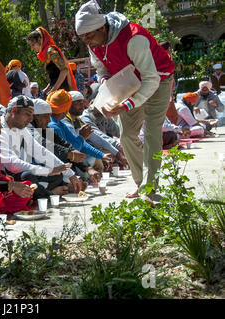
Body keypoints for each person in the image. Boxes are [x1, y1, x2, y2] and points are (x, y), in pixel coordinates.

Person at [75, 0, 176, 201]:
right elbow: (102, 70)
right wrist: (109, 87)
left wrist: (127, 104)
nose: (87, 41)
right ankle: (142, 184)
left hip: (159, 79)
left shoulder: (133, 37)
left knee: (151, 132)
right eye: (83, 38)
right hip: (129, 84)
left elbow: (151, 79)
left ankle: (150, 188)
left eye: (90, 36)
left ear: (103, 27)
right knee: (127, 135)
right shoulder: (93, 43)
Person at [0, 95, 82, 198]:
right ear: (14, 110)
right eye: (28, 114)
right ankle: (49, 194)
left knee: (58, 175)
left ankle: (44, 192)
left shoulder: (21, 127)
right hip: (2, 178)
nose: (30, 119)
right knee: (27, 176)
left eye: (32, 115)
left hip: (17, 174)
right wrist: (47, 171)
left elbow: (39, 151)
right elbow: (12, 164)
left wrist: (70, 174)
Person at [47, 90, 113, 178]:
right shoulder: (54, 125)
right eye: (78, 103)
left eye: (83, 102)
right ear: (67, 108)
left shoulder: (60, 123)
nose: (82, 106)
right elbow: (70, 153)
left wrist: (102, 155)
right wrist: (82, 137)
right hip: (56, 169)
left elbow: (76, 145)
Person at [28, 98, 90, 188]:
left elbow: (65, 145)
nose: (49, 120)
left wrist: (87, 168)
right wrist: (69, 154)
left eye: (50, 116)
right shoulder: (28, 128)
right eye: (46, 116)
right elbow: (43, 144)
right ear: (35, 116)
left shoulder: (46, 128)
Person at [27, 27, 77, 95]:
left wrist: (53, 89)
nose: (32, 48)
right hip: (57, 90)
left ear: (39, 39)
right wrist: (47, 88)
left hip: (62, 91)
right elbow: (55, 75)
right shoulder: (47, 53)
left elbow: (64, 70)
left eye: (33, 44)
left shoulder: (51, 51)